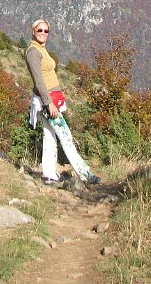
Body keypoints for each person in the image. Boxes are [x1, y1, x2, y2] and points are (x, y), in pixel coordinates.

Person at [25, 18, 101, 186]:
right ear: (33, 31)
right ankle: (84, 174)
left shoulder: (41, 49)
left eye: (46, 31)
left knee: (50, 136)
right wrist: (49, 103)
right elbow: (38, 81)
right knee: (65, 136)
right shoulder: (33, 52)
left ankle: (49, 174)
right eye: (40, 30)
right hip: (47, 101)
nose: (43, 33)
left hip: (51, 99)